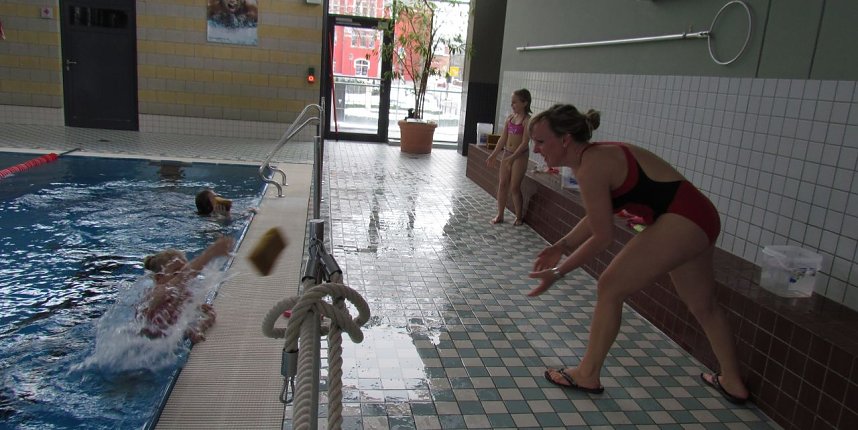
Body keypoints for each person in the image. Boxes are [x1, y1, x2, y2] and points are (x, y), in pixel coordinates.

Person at [526, 104, 749, 404]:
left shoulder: (592, 166)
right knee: (703, 304)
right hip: (698, 217)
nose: (535, 149)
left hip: (683, 220)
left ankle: (587, 373)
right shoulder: (590, 160)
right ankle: (733, 381)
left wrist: (558, 272)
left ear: (565, 139)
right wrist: (561, 246)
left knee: (610, 286)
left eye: (540, 141)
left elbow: (604, 236)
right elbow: (597, 216)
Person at [138, 236, 234, 344]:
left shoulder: (185, 293)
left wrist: (199, 321)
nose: (185, 277)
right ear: (159, 278)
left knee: (210, 313)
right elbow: (184, 276)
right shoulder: (155, 293)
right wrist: (210, 253)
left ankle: (195, 331)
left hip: (169, 339)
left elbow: (194, 313)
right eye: (175, 273)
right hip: (145, 340)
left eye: (183, 269)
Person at [485, 89, 533, 226]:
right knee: (502, 184)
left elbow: (525, 143)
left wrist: (512, 158)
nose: (512, 105)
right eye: (511, 103)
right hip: (508, 153)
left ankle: (519, 216)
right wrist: (493, 154)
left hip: (520, 156)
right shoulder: (510, 118)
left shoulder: (527, 121)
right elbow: (503, 138)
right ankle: (500, 214)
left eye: (515, 102)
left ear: (525, 103)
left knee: (514, 187)